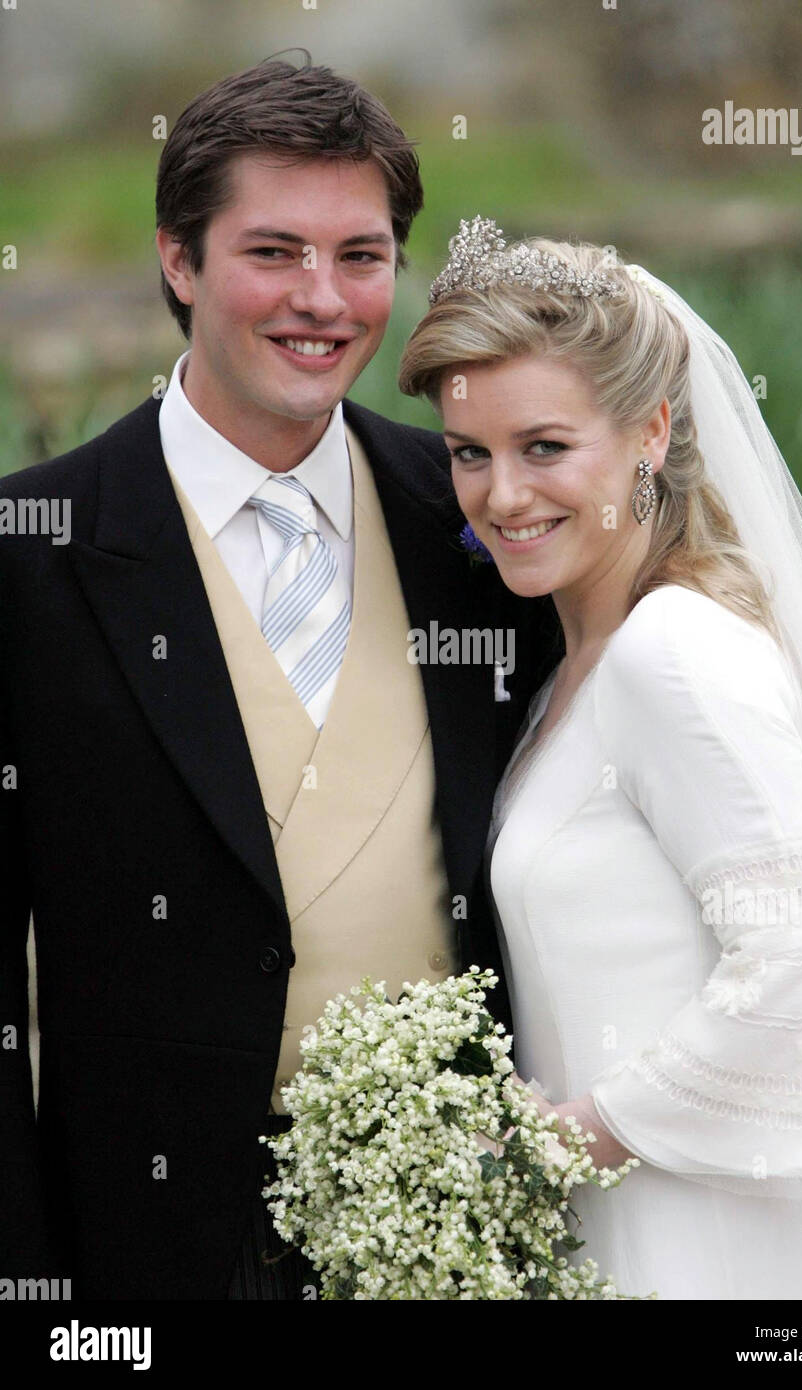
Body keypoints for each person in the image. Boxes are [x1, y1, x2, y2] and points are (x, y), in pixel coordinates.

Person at [0, 72, 555, 1300]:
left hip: (464, 1231)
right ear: (178, 262)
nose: (322, 298)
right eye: (273, 250)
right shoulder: (28, 552)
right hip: (149, 1254)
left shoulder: (481, 521)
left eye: (362, 254)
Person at [398, 216, 802, 1299]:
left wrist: (571, 1139)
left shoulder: (671, 656)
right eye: (469, 453)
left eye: (544, 447)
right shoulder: (580, 660)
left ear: (649, 433)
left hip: (710, 1249)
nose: (501, 496)